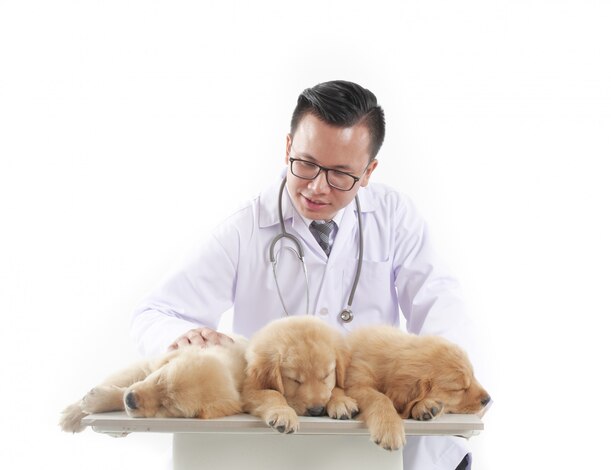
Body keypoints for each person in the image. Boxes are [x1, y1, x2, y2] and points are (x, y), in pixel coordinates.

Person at [131, 80, 480, 470]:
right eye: (306, 164)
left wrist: (440, 381)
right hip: (276, 438)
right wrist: (182, 336)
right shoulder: (245, 228)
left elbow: (441, 301)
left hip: (372, 424)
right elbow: (155, 313)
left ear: (368, 172)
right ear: (287, 148)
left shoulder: (394, 218)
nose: (316, 187)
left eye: (340, 175)